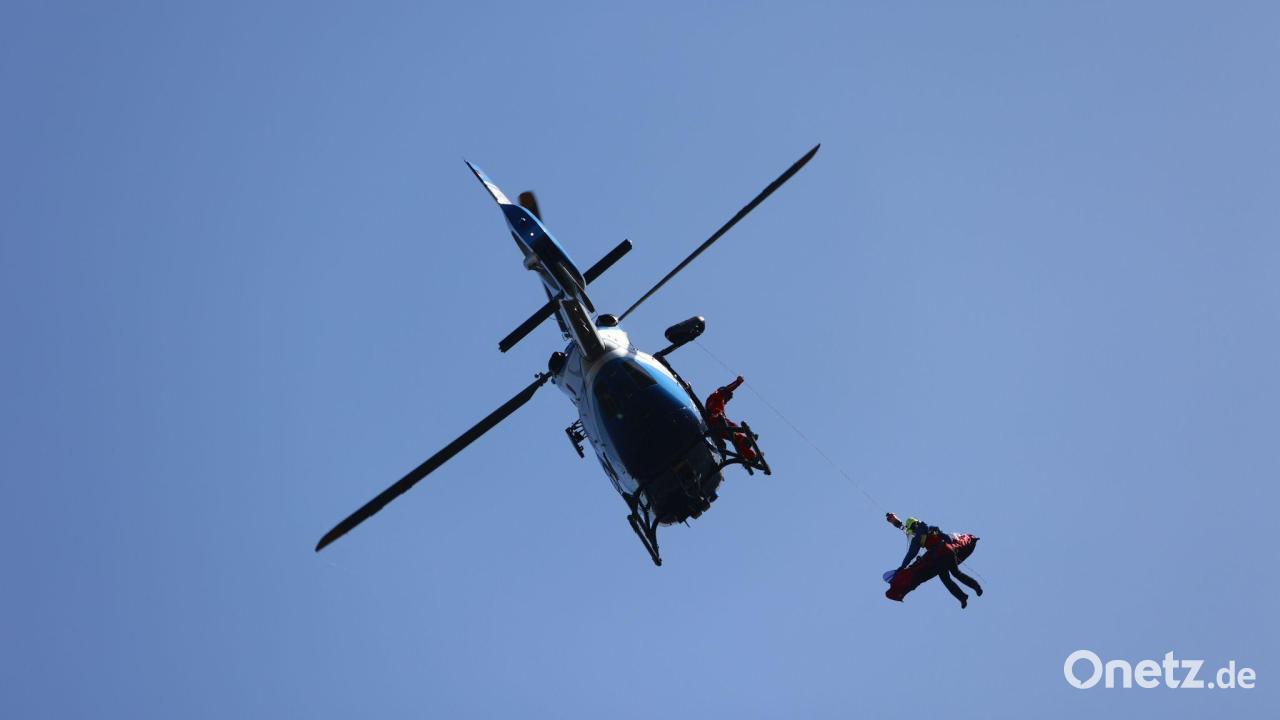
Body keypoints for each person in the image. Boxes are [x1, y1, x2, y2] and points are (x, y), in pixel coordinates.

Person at [885, 512, 983, 608]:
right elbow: (946, 538)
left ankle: (962, 598)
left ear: (912, 528)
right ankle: (976, 587)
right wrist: (896, 522)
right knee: (956, 573)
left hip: (938, 556)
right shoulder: (930, 528)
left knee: (946, 580)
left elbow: (911, 554)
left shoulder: (917, 538)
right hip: (948, 550)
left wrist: (902, 567)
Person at [704, 376, 757, 461]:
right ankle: (744, 439)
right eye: (727, 399)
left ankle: (752, 456)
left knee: (735, 441)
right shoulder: (717, 395)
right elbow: (728, 388)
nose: (726, 401)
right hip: (716, 421)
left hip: (717, 427)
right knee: (732, 427)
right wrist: (738, 382)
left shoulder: (719, 401)